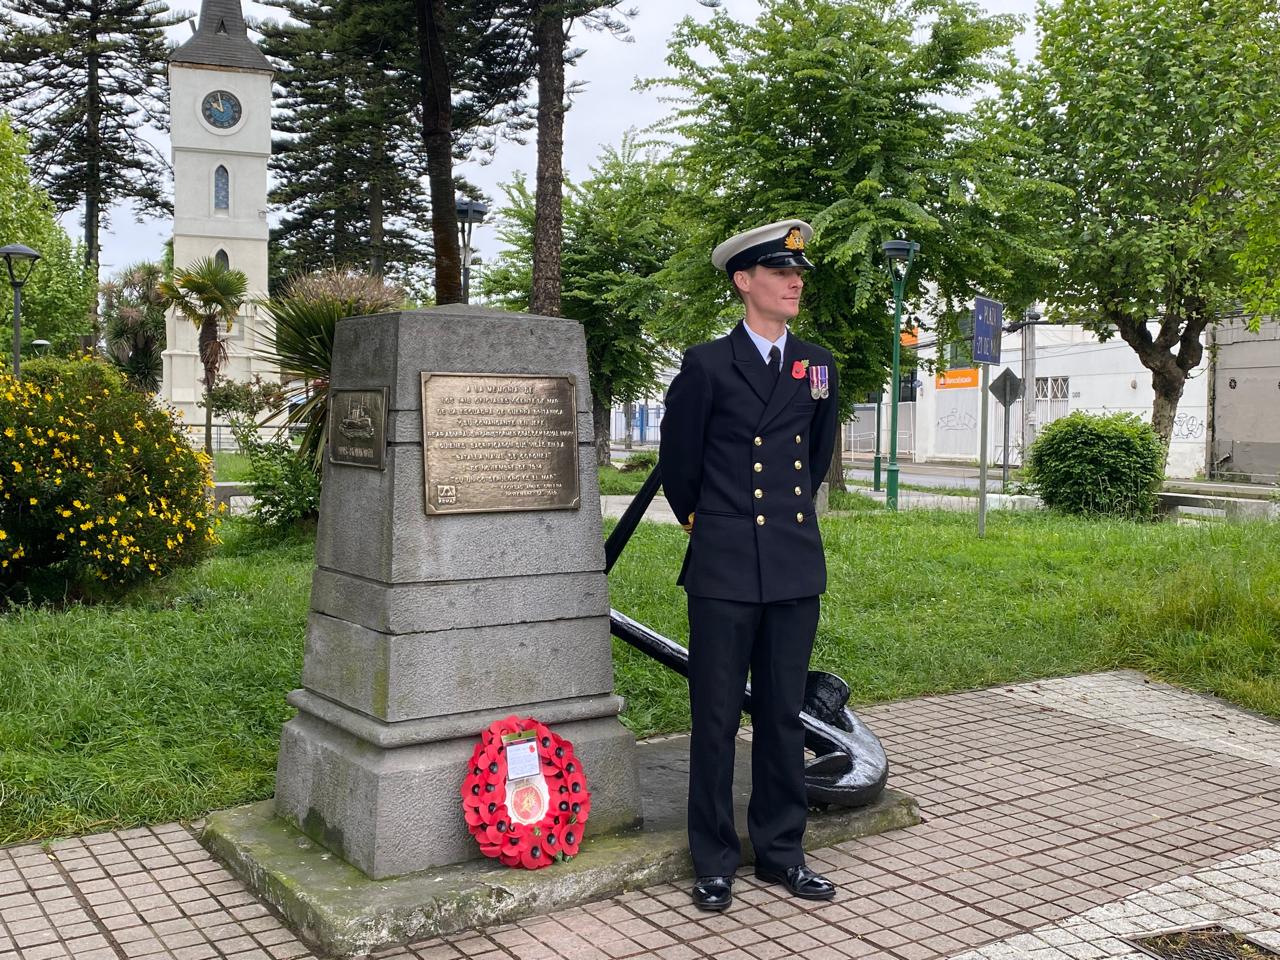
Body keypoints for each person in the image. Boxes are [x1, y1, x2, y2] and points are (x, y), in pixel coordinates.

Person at [659, 219, 840, 911]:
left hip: (793, 563)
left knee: (782, 716)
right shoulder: (707, 364)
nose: (795, 281)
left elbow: (816, 452)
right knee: (713, 717)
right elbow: (680, 467)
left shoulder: (816, 363)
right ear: (744, 280)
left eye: (799, 272)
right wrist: (716, 524)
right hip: (727, 564)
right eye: (778, 271)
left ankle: (781, 853)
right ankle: (713, 858)